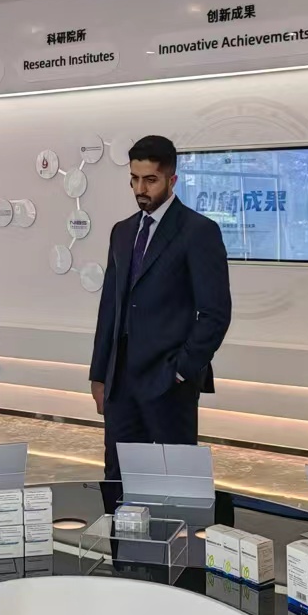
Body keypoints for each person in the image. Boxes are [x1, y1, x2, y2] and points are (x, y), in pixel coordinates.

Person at [90, 134, 231, 483]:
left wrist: (181, 371)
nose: (141, 189)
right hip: (120, 384)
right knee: (118, 479)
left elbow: (215, 313)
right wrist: (99, 373)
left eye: (150, 180)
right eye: (134, 179)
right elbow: (110, 307)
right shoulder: (122, 232)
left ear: (172, 179)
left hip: (169, 384)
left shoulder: (198, 231)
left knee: (175, 484)